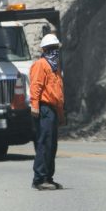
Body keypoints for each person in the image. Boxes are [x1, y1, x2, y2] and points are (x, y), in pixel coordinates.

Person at [29, 33, 65, 190]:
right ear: (44, 50)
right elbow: (36, 86)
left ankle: (48, 177)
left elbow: (58, 93)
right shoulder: (41, 64)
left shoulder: (55, 67)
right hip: (44, 108)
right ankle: (39, 178)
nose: (54, 52)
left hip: (53, 109)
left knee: (52, 145)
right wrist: (35, 105)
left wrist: (61, 113)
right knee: (44, 143)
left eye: (55, 48)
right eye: (51, 49)